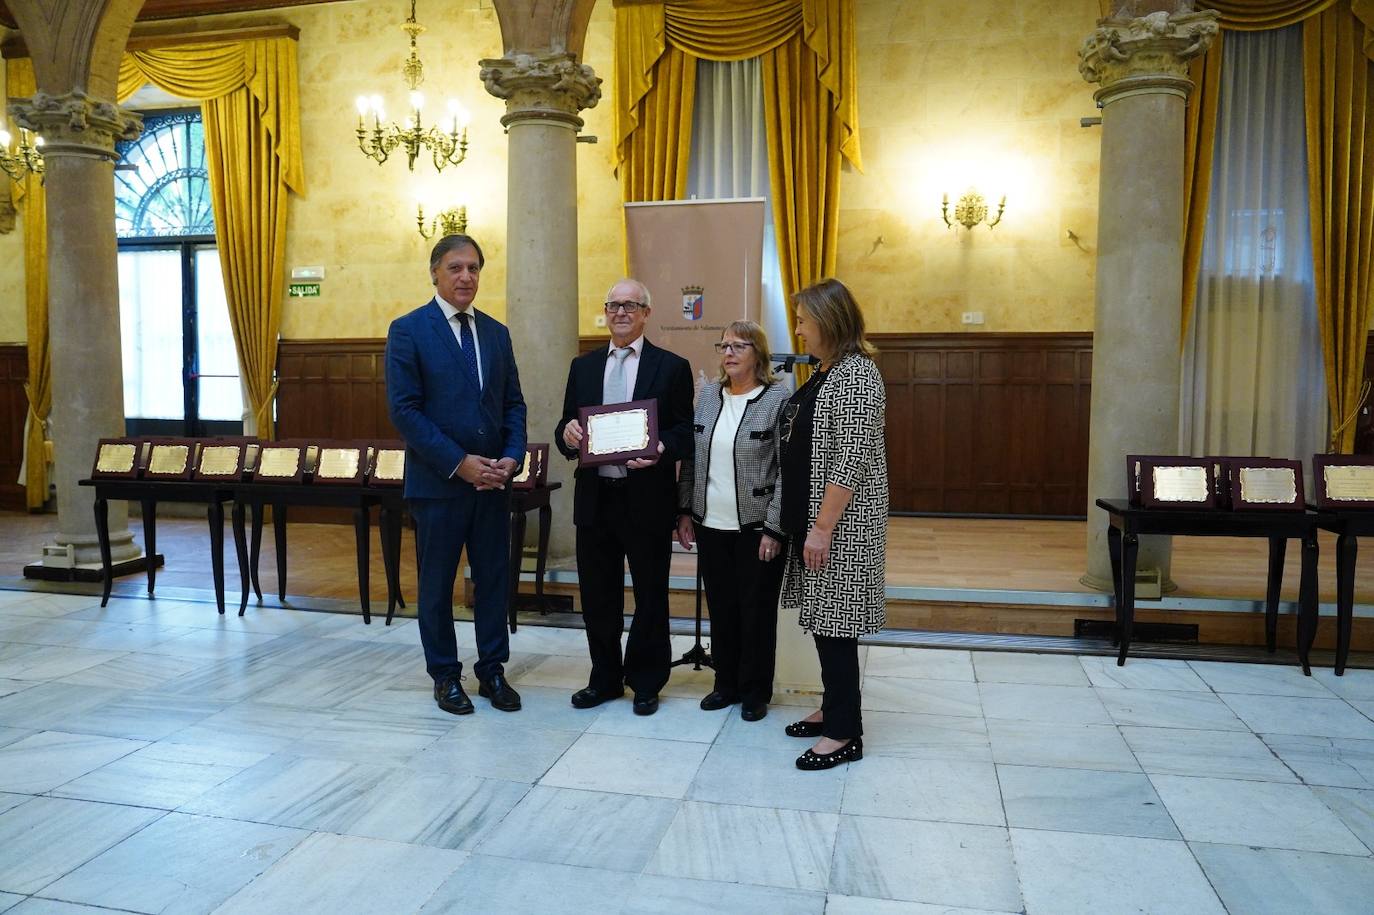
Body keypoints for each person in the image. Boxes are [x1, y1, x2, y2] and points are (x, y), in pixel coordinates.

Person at [386, 234, 527, 716]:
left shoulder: (495, 332)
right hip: (439, 483)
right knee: (438, 585)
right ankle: (445, 675)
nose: (466, 277)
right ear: (434, 273)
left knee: (492, 580)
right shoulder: (408, 330)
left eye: (473, 269)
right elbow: (405, 411)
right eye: (455, 268)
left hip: (492, 483)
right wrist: (458, 463)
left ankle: (492, 671)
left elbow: (513, 404)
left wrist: (510, 458)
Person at [555, 278, 694, 716]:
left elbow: (683, 432)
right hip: (596, 498)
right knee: (598, 595)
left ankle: (647, 681)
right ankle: (605, 678)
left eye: (631, 305)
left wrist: (660, 449)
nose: (621, 312)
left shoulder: (671, 367)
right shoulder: (584, 367)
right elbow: (566, 428)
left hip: (647, 498)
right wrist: (567, 433)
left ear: (646, 313)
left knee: (651, 593)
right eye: (614, 304)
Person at [778, 278, 887, 770]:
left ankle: (845, 732)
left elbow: (850, 459)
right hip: (817, 520)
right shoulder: (827, 371)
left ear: (829, 320)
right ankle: (833, 706)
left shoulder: (859, 376)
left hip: (842, 526)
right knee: (824, 622)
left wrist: (821, 528)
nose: (798, 330)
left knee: (838, 626)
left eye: (803, 320)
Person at [676, 321, 790, 722]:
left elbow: (785, 471)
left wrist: (775, 528)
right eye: (724, 345)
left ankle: (756, 691)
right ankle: (725, 684)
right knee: (722, 610)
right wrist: (685, 510)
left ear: (757, 353)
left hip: (757, 530)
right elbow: (691, 457)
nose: (729, 352)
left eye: (738, 345)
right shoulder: (709, 396)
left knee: (756, 612)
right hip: (711, 526)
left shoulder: (777, 397)